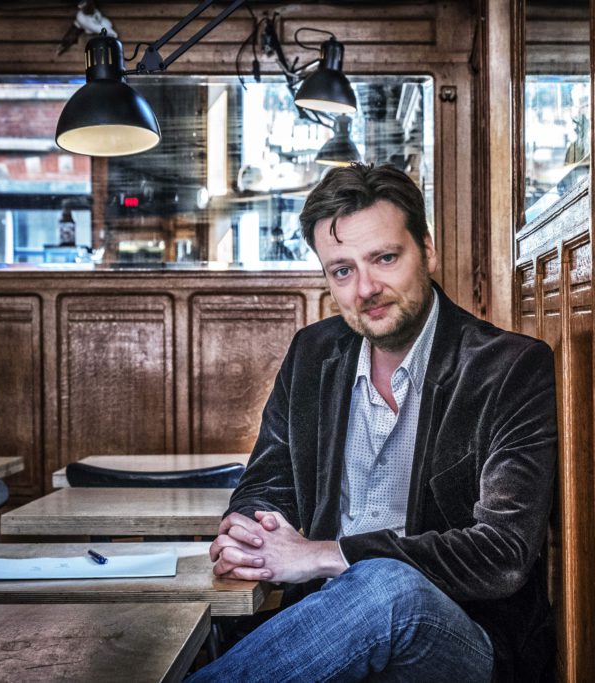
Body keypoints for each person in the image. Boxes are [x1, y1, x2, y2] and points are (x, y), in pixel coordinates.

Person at [189, 163, 557, 683]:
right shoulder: (312, 353)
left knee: (386, 587)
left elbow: (503, 553)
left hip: (460, 635)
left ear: (427, 251)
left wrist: (323, 555)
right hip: (325, 623)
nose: (366, 288)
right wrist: (250, 534)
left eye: (385, 258)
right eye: (342, 270)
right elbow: (267, 483)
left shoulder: (509, 368)